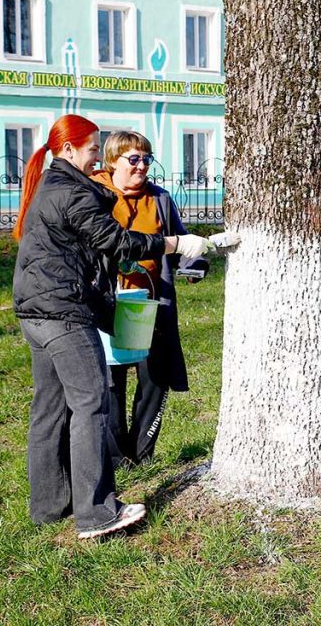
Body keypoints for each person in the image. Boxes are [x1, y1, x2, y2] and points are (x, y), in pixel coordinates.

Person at [12, 115, 212, 539]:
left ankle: (49, 506)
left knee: (50, 410)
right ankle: (96, 514)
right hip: (63, 313)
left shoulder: (50, 187)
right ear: (69, 151)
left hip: (35, 311)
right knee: (91, 406)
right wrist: (175, 243)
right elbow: (119, 242)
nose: (95, 157)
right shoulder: (74, 192)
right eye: (91, 149)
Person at [90, 131, 238, 468]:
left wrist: (197, 259)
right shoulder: (96, 195)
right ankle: (115, 457)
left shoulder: (158, 198)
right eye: (134, 159)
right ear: (113, 161)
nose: (142, 166)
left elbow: (178, 238)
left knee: (154, 375)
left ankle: (142, 452)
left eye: (147, 159)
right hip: (108, 301)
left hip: (149, 301)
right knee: (110, 378)